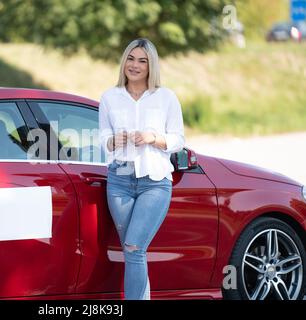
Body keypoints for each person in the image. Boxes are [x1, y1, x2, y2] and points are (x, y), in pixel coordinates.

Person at [99, 38, 185, 300]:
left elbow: (179, 140)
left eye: (142, 61)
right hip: (119, 181)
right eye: (131, 58)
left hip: (155, 182)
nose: (134, 65)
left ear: (151, 66)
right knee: (133, 252)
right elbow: (102, 140)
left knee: (134, 248)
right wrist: (114, 141)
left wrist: (153, 138)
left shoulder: (166, 98)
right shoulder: (110, 97)